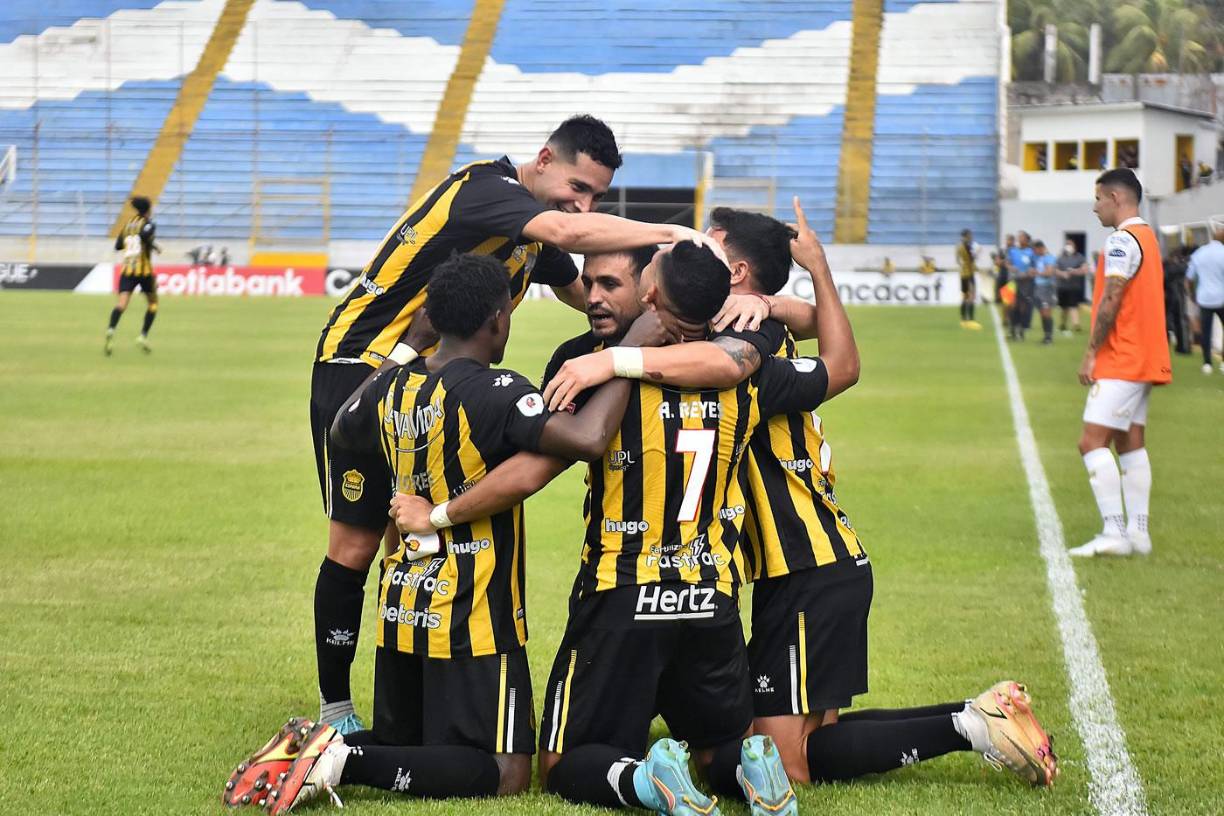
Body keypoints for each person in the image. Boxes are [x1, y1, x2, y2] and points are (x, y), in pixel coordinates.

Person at [539, 202, 1058, 791]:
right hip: (759, 574)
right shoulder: (747, 347)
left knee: (795, 762)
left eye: (705, 245)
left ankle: (970, 723)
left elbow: (828, 361)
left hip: (808, 561)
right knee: (784, 743)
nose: (691, 250)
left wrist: (614, 358)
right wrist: (779, 302)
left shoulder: (740, 349)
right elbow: (792, 347)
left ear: (730, 274)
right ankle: (970, 719)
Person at [308, 115, 719, 735]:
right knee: (360, 545)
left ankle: (408, 709)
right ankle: (335, 713)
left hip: (433, 378)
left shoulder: (531, 241)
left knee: (420, 536)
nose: (582, 204)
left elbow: (588, 293)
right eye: (577, 186)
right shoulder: (482, 189)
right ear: (544, 157)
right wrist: (676, 232)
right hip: (362, 364)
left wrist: (673, 314)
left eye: (595, 196)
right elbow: (566, 229)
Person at [224, 253, 672, 811]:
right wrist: (630, 358)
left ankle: (316, 748)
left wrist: (408, 347)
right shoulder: (498, 390)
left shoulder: (394, 388)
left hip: (402, 605)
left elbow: (343, 422)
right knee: (506, 771)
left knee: (407, 744)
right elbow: (586, 438)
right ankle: (338, 759)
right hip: (473, 611)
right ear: (498, 322)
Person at [1070, 169, 1172, 558]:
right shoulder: (1148, 237)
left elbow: (1112, 299)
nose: (1095, 207)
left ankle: (1114, 531)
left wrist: (1092, 351)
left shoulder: (1121, 241)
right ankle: (1139, 533)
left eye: (1098, 199)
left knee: (1091, 442)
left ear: (1115, 197)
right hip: (1145, 357)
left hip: (1122, 358)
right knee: (1131, 443)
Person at [105, 195, 160, 355]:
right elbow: (144, 236)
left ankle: (111, 330)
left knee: (121, 305)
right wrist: (152, 245)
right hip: (144, 272)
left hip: (127, 271)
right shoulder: (149, 224)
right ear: (148, 209)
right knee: (153, 304)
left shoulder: (128, 225)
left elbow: (117, 246)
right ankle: (142, 336)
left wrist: (132, 243)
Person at [1187, 222, 1224, 374]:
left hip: (1204, 298)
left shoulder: (1200, 253)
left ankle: (1207, 363)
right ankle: (1223, 363)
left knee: (1206, 331)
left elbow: (1189, 278)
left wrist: (1192, 294)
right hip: (1222, 298)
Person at [1055, 240, 1088, 336]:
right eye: (1067, 245)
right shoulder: (1060, 257)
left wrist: (1074, 271)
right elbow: (1055, 270)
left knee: (1073, 306)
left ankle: (1076, 325)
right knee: (1063, 307)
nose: (1069, 247)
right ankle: (1063, 324)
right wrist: (1063, 274)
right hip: (1062, 286)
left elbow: (1085, 270)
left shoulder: (1079, 257)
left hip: (1074, 286)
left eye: (1071, 245)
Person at [1007, 231, 1035, 341]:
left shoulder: (1031, 252)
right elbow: (1007, 263)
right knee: (1011, 305)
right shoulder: (1013, 250)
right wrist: (1010, 267)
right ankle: (1012, 329)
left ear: (1027, 239)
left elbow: (1034, 266)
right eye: (1019, 237)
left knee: (1023, 307)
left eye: (1022, 237)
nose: (1019, 239)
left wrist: (1030, 272)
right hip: (1013, 281)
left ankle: (1021, 330)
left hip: (1026, 282)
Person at [1031, 240, 1058, 344]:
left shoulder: (1049, 258)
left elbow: (1049, 272)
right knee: (1042, 312)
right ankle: (1046, 336)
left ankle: (1049, 337)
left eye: (1035, 250)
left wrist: (1036, 272)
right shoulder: (1040, 258)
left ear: (1040, 248)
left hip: (1047, 288)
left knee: (1046, 312)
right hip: (1039, 287)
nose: (1034, 252)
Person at [956, 229, 981, 329]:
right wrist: (978, 252)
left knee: (965, 296)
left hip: (963, 273)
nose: (971, 237)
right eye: (969, 235)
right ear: (966, 236)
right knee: (971, 296)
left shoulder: (959, 246)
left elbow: (958, 260)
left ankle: (963, 320)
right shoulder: (966, 246)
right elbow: (971, 259)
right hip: (968, 274)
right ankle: (970, 320)